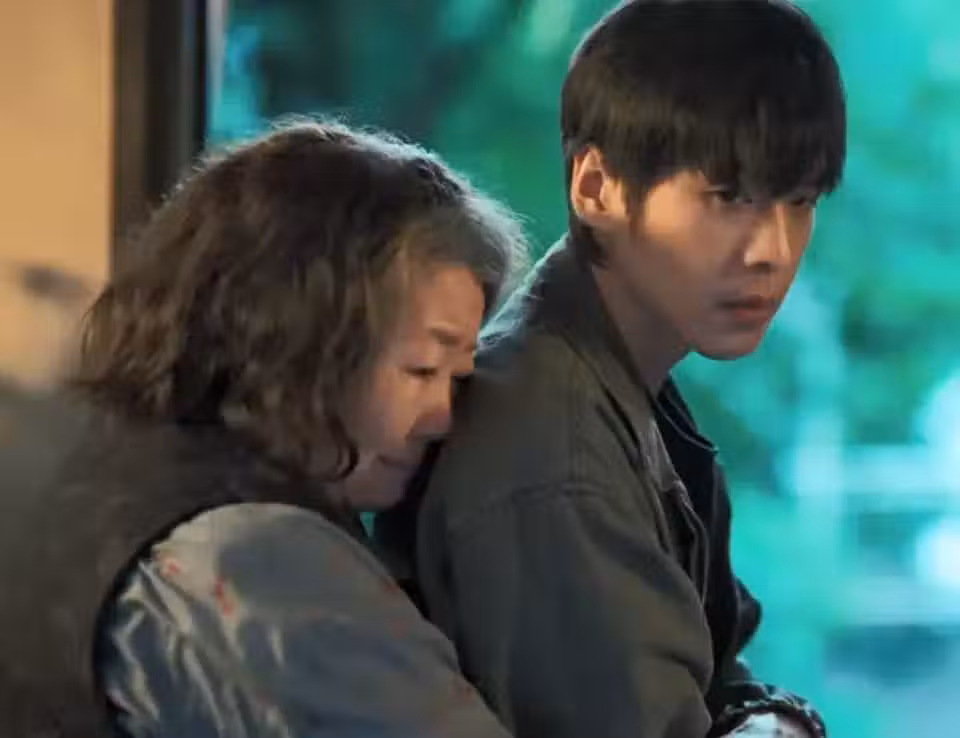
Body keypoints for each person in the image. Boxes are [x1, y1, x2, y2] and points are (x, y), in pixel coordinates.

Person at [397, 1, 847, 737]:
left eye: (799, 201)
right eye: (729, 198)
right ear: (596, 188)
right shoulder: (555, 446)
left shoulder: (622, 375)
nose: (773, 249)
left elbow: (719, 678)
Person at [0, 120, 527, 737]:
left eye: (457, 378)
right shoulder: (251, 558)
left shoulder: (105, 470)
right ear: (300, 339)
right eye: (422, 368)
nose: (442, 416)